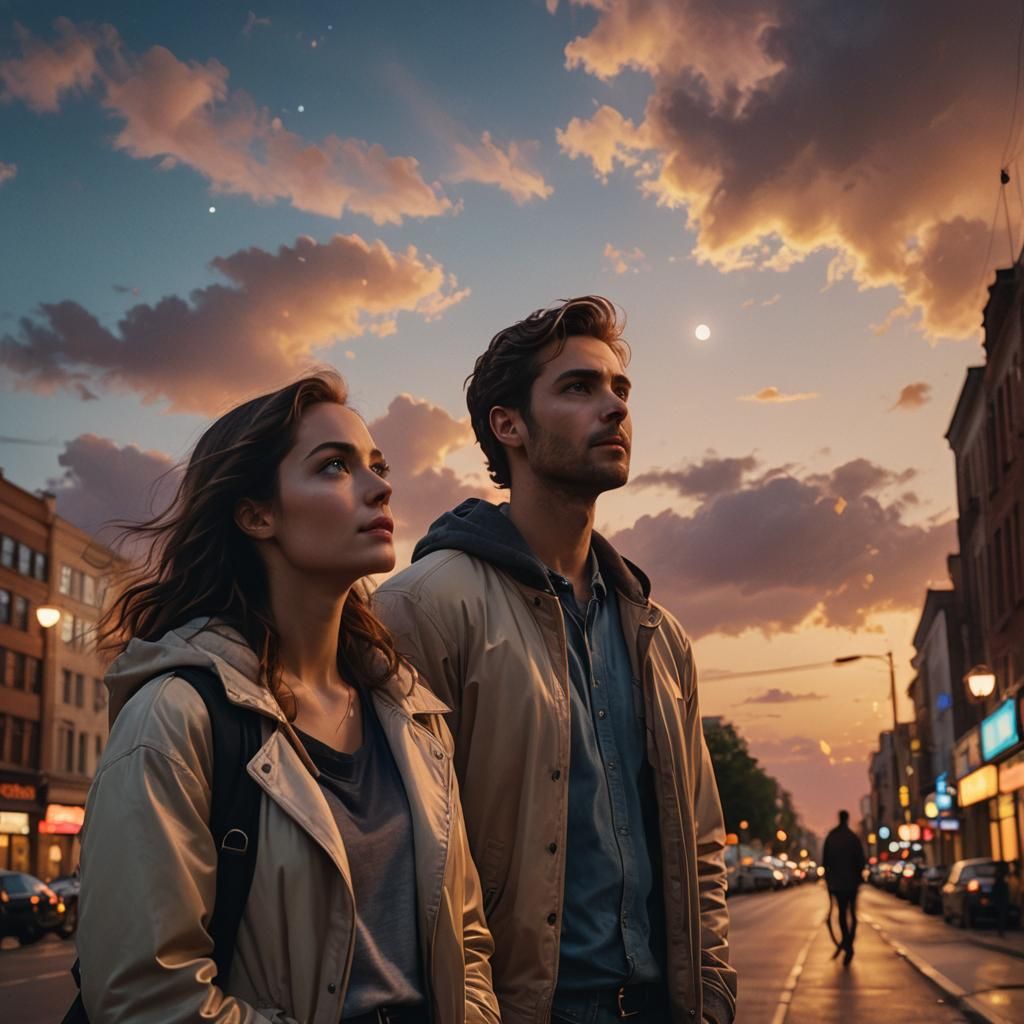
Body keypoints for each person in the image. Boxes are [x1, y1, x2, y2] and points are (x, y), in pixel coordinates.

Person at [76, 372, 498, 1024]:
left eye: (378, 466)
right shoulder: (176, 717)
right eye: (335, 466)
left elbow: (465, 944)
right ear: (256, 514)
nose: (380, 486)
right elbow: (146, 995)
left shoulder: (413, 714)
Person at [375, 297, 736, 1024]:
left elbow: (700, 843)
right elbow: (395, 860)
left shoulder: (660, 637)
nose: (615, 407)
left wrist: (713, 995)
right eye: (578, 387)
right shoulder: (424, 606)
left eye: (619, 389)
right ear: (508, 425)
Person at [821, 810, 866, 965]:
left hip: (838, 885)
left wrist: (829, 881)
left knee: (842, 914)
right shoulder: (853, 838)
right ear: (847, 819)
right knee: (852, 914)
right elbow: (861, 861)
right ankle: (848, 943)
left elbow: (825, 862)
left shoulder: (832, 837)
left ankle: (847, 944)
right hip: (851, 884)